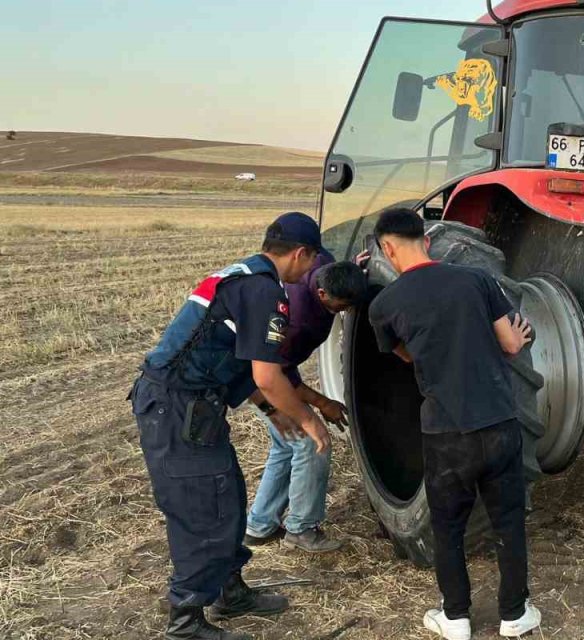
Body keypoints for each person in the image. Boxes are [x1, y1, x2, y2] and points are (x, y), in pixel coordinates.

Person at [129, 212, 331, 640]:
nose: (309, 273)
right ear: (301, 254)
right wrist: (309, 419)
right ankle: (185, 622)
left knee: (228, 496)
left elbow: (239, 357)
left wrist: (273, 410)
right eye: (311, 262)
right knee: (202, 510)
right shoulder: (264, 291)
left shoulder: (244, 275)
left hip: (192, 407)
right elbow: (267, 375)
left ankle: (229, 590)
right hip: (178, 409)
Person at [366, 208, 540, 640]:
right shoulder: (476, 280)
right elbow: (509, 344)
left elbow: (403, 353)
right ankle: (515, 615)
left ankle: (456, 617)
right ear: (426, 239)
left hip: (446, 433)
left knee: (448, 528)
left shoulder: (384, 304)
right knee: (509, 521)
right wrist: (516, 341)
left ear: (388, 249)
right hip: (499, 423)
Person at [243, 255, 367, 553]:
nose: (346, 311)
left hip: (273, 368)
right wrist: (322, 403)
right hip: (262, 379)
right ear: (323, 294)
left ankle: (259, 526)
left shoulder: (321, 265)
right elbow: (274, 377)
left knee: (287, 446)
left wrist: (352, 264)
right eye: (341, 305)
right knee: (312, 444)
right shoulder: (299, 322)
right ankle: (301, 528)